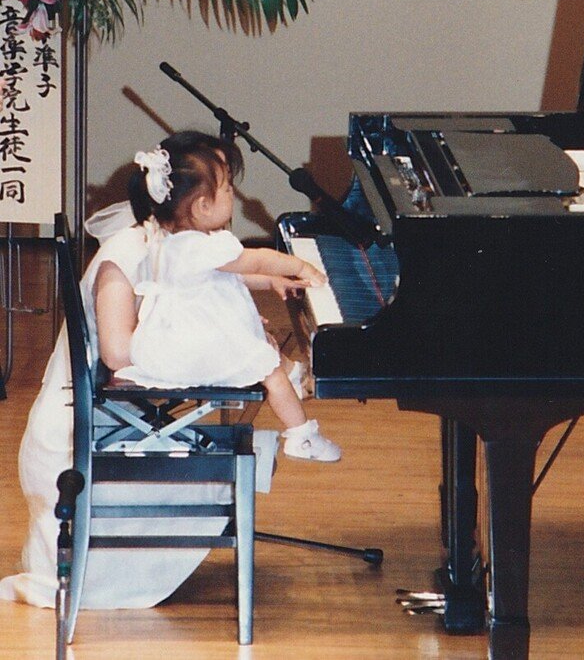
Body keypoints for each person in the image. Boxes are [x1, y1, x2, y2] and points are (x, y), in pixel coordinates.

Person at [1, 131, 334, 609]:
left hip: (113, 414)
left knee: (253, 370)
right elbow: (118, 355)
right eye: (222, 187)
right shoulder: (123, 256)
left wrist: (231, 314)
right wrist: (211, 343)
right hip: (83, 437)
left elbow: (206, 279)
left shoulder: (163, 237)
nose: (231, 198)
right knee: (252, 388)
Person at [112, 132, 341, 461]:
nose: (233, 195)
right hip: (195, 350)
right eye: (228, 189)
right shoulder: (208, 246)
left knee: (260, 340)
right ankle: (301, 436)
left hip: (172, 340)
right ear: (203, 206)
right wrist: (299, 266)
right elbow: (256, 258)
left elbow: (230, 277)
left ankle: (293, 378)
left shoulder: (172, 240)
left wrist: (272, 281)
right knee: (270, 371)